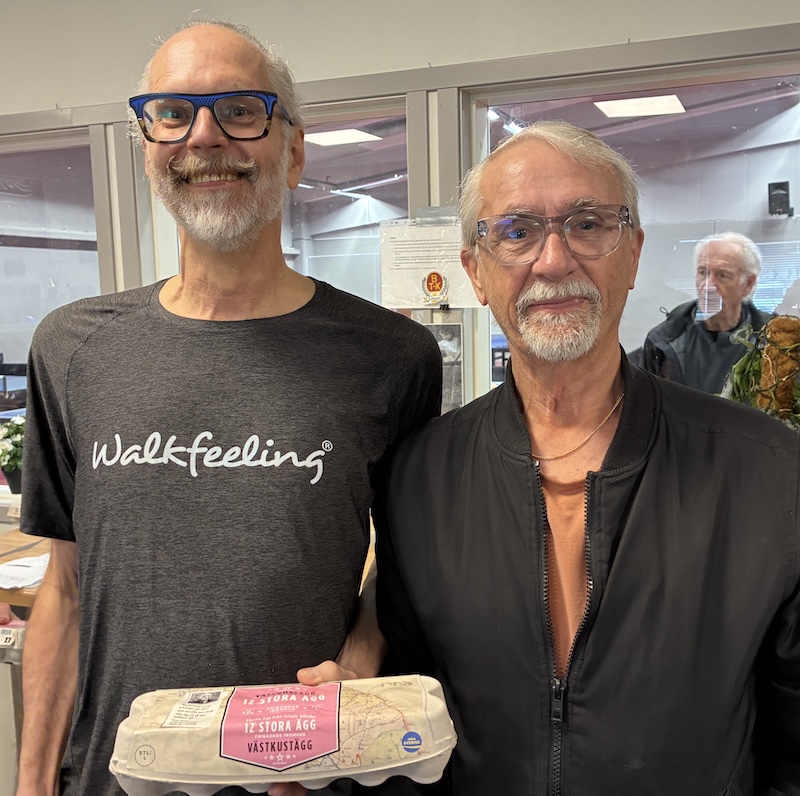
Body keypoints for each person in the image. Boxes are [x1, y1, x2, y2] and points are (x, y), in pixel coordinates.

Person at [14, 20, 441, 796]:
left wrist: (359, 664)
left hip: (300, 779)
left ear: (294, 151)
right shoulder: (71, 348)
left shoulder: (391, 357)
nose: (204, 136)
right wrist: (35, 783)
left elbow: (408, 573)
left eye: (241, 110)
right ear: (148, 147)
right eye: (173, 114)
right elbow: (65, 592)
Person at [368, 122, 800, 795]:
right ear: (475, 272)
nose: (553, 260)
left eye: (588, 224)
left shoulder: (767, 472)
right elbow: (408, 724)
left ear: (633, 253)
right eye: (517, 231)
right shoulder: (418, 480)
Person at [640, 231, 772, 393]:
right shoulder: (664, 340)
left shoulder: (773, 340)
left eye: (722, 275)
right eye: (703, 273)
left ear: (748, 284)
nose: (708, 286)